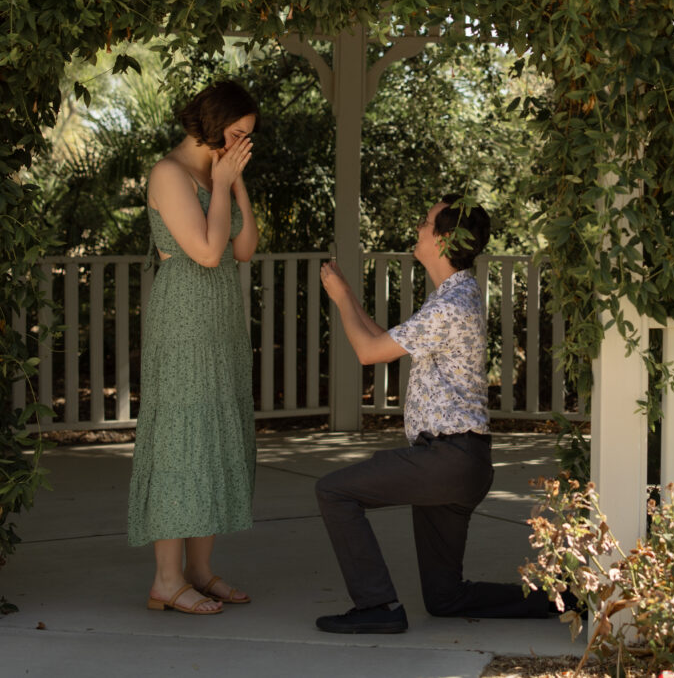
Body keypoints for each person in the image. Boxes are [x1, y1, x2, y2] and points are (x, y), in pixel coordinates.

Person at [315, 195, 556, 633]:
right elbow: (387, 343)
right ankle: (557, 601)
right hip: (461, 462)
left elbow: (369, 353)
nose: (419, 227)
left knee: (335, 492)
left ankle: (378, 607)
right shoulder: (454, 295)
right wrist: (348, 294)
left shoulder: (449, 305)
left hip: (446, 459)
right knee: (446, 598)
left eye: (426, 223)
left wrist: (339, 297)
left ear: (444, 240)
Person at [127, 80, 260, 615]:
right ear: (212, 123)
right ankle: (166, 579)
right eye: (236, 133)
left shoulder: (219, 173)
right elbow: (208, 251)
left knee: (213, 434)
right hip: (184, 316)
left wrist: (234, 182)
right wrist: (223, 186)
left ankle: (201, 571)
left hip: (221, 315)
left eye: (248, 137)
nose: (242, 143)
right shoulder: (169, 173)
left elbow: (244, 248)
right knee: (182, 437)